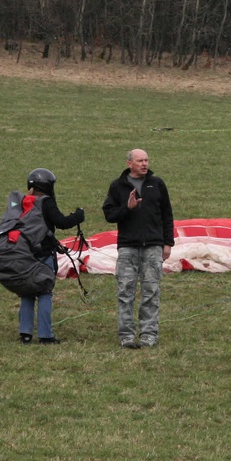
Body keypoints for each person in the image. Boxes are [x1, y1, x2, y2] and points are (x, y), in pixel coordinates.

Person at [103, 149, 174, 349]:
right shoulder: (117, 186)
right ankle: (126, 335)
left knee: (151, 291)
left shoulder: (157, 184)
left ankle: (149, 334)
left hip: (153, 246)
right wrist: (128, 208)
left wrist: (167, 243)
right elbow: (109, 214)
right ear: (129, 164)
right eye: (140, 161)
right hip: (127, 248)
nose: (144, 164)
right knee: (125, 291)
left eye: (146, 160)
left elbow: (167, 214)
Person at [19, 168, 85, 344]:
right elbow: (61, 222)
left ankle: (25, 333)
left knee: (27, 293)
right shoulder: (46, 202)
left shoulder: (22, 202)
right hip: (43, 255)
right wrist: (78, 215)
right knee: (45, 293)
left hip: (24, 254)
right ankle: (45, 335)